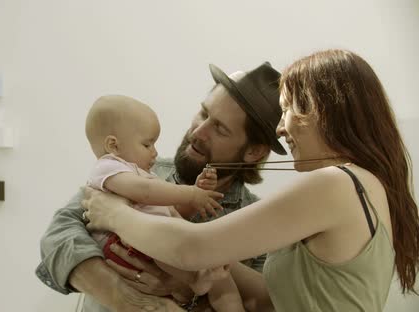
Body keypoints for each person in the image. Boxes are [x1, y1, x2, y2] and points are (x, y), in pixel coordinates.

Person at [82, 49, 419, 311]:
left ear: (323, 110)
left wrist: (113, 213)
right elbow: (270, 298)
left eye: (288, 109)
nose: (281, 127)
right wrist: (206, 264)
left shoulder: (337, 184)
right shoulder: (366, 186)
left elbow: (191, 248)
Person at [37, 62, 288, 311]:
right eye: (203, 113)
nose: (198, 131)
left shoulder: (260, 225)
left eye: (220, 128)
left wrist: (184, 290)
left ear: (253, 151)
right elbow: (58, 237)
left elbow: (262, 303)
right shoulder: (136, 171)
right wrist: (126, 297)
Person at [84, 94, 244, 309]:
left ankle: (214, 289)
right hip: (125, 247)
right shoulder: (109, 167)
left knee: (218, 269)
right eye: (147, 144)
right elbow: (146, 192)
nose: (155, 152)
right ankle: (195, 278)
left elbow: (163, 206)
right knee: (167, 245)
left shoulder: (137, 171)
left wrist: (196, 192)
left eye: (221, 129)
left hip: (153, 238)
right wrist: (190, 194)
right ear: (113, 145)